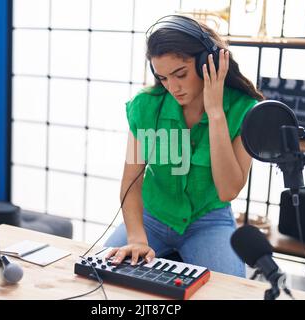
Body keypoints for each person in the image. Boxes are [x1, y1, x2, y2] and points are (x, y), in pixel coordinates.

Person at [104, 15, 264, 278]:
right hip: (152, 218)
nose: (173, 87)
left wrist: (215, 114)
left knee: (229, 292)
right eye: (163, 78)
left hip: (209, 222)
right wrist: (137, 238)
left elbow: (227, 190)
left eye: (180, 74)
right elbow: (131, 182)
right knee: (103, 276)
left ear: (206, 63)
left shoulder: (243, 109)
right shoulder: (145, 107)